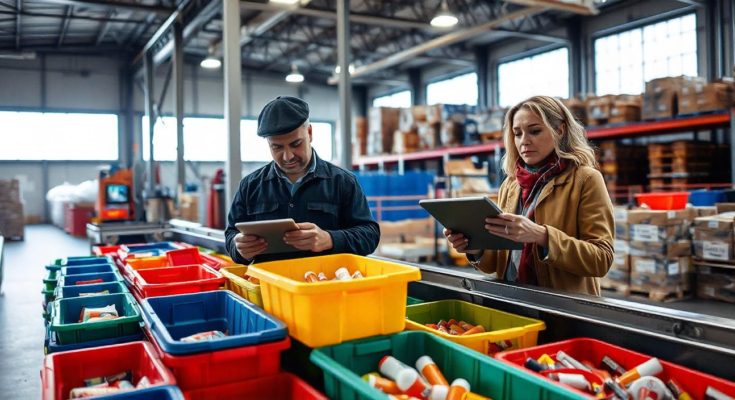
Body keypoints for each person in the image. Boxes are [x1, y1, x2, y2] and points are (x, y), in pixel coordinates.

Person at [444, 96, 614, 295]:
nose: (524, 141)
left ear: (560, 131)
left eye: (534, 131)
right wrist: (475, 249)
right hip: (512, 302)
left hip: (563, 310)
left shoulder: (585, 180)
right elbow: (497, 263)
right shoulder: (511, 184)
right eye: (517, 134)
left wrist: (541, 236)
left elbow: (601, 260)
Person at [225, 96, 380, 264]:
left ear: (310, 133)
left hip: (324, 285)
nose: (288, 156)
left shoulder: (343, 181)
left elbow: (369, 235)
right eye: (276, 147)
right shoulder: (250, 186)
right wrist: (239, 248)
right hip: (270, 287)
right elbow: (231, 236)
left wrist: (330, 239)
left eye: (296, 144)